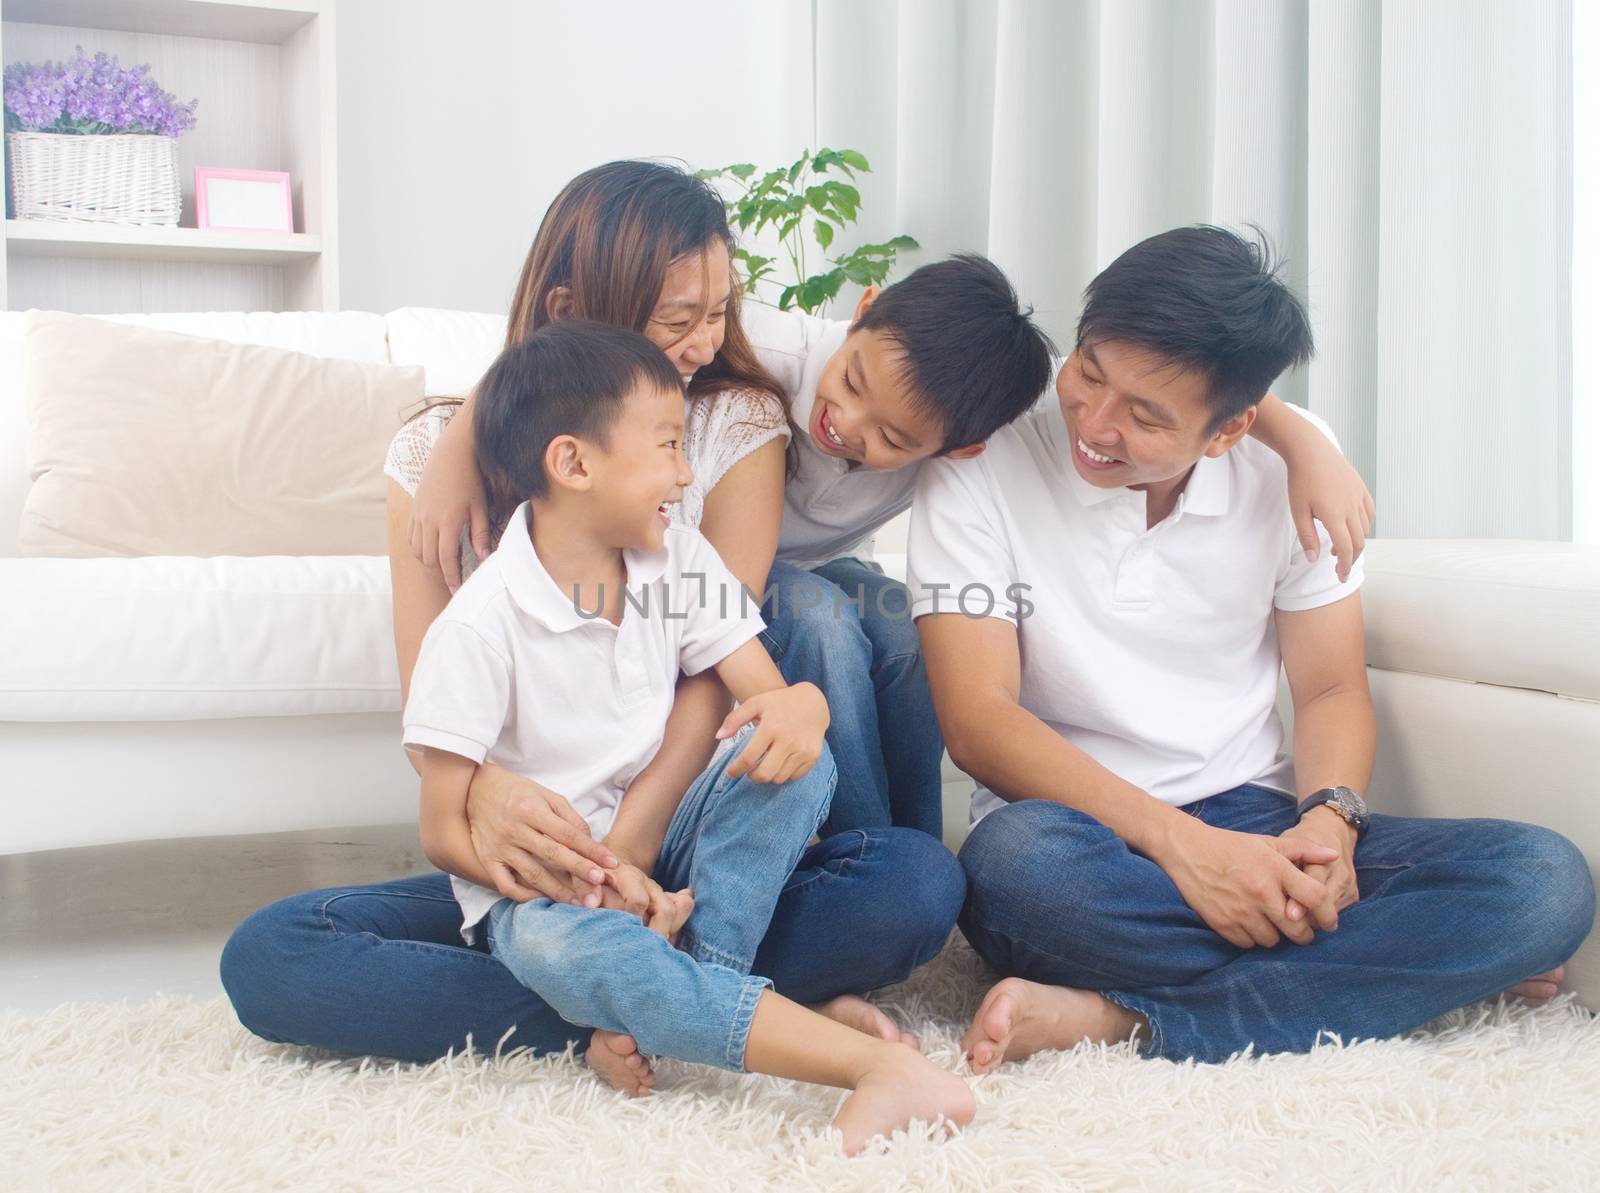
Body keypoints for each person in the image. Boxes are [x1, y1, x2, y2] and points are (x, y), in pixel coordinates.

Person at [221, 162, 965, 1068]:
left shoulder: (734, 422)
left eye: (719, 312)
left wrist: (636, 844)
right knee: (273, 957)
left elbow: (717, 665)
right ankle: (700, 998)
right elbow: (434, 705)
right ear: (573, 306)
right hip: (544, 867)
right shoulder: (439, 455)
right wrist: (499, 813)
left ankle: (650, 988)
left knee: (918, 881)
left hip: (685, 838)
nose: (701, 342)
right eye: (676, 318)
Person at [410, 164, 1377, 842]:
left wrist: (1298, 442)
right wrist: (462, 434)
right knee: (829, 613)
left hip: (737, 587)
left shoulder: (969, 403)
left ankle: (906, 856)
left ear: (957, 444)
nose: (849, 425)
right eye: (854, 381)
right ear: (860, 314)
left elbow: (1158, 386)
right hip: (737, 589)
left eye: (895, 441)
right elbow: (557, 368)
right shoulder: (780, 363)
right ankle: (865, 852)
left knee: (899, 632)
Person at [907, 224, 1594, 1070]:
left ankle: (1132, 1022)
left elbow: (1333, 689)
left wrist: (1329, 825)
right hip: (1076, 831)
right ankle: (1390, 973)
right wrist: (1186, 850)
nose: (1094, 419)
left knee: (1543, 881)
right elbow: (978, 722)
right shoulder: (981, 457)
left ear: (1231, 430)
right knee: (1014, 871)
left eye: (1146, 416)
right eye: (1089, 369)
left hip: (1258, 815)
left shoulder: (1287, 466)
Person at [407, 320, 972, 1153]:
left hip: (675, 852)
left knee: (804, 774)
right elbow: (441, 829)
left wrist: (802, 706)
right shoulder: (479, 627)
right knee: (580, 953)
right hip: (550, 895)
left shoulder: (679, 558)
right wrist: (582, 878)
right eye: (670, 446)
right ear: (574, 463)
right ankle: (851, 1057)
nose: (684, 473)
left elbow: (763, 696)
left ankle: (694, 989)